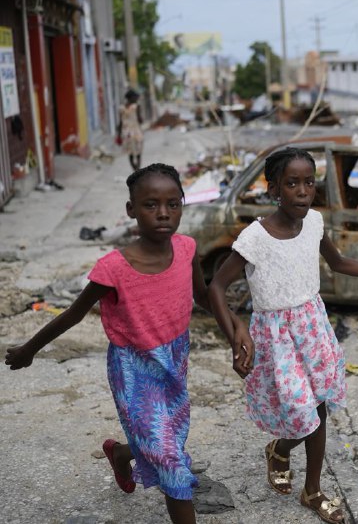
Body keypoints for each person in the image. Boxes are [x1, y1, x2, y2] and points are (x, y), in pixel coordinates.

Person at [5, 164, 250, 524]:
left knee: (166, 436)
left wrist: (236, 326)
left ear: (183, 205)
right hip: (133, 369)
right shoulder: (113, 269)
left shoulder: (186, 249)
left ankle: (122, 454)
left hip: (175, 358)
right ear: (131, 210)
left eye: (173, 204)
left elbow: (202, 297)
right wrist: (29, 349)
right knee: (170, 458)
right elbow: (74, 314)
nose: (164, 213)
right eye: (151, 205)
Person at [208, 148, 358, 524]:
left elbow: (338, 263)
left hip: (313, 327)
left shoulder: (315, 223)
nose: (303, 191)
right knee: (300, 411)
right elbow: (216, 287)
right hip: (276, 339)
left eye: (309, 182)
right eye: (292, 183)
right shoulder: (254, 237)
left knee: (318, 405)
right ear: (274, 189)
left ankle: (312, 490)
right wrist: (234, 334)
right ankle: (279, 448)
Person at [117, 89, 144, 171]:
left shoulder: (121, 108)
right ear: (131, 98)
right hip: (136, 131)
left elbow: (120, 122)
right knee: (138, 151)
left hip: (126, 132)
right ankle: (137, 169)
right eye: (136, 98)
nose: (136, 99)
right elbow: (140, 120)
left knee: (130, 152)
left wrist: (119, 134)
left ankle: (135, 169)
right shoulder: (136, 107)